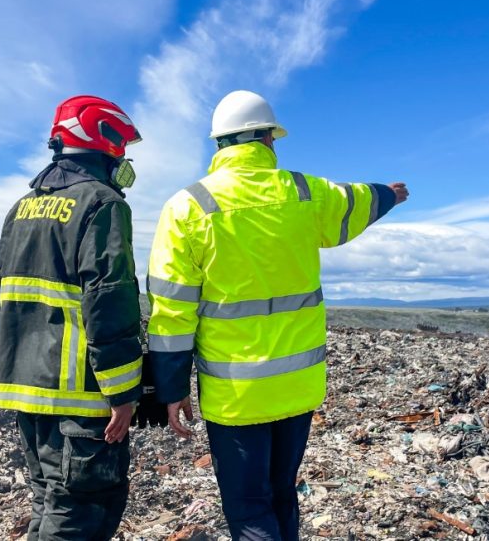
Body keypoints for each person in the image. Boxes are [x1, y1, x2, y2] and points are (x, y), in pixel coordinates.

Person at [146, 90, 409, 540]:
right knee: (282, 493)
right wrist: (391, 194)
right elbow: (357, 200)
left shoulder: (187, 208)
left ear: (219, 145)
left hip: (236, 396)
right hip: (297, 386)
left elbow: (171, 313)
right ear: (268, 139)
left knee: (249, 509)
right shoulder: (305, 194)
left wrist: (169, 390)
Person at [0, 95, 165, 541]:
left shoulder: (22, 208)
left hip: (26, 391)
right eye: (121, 147)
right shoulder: (101, 204)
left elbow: (2, 297)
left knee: (46, 501)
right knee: (80, 515)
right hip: (80, 400)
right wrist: (124, 391)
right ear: (103, 141)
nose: (123, 157)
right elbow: (111, 302)